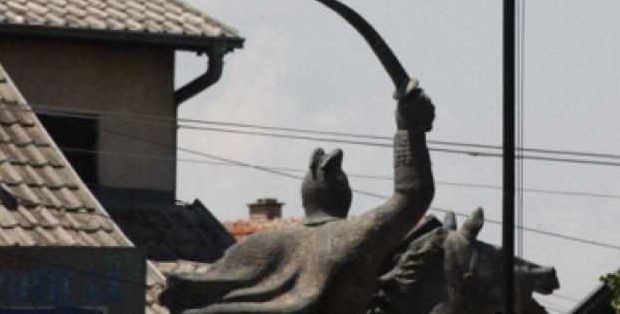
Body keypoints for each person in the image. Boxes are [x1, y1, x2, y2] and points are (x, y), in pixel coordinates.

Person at [159, 80, 435, 314]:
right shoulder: (349, 236)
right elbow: (412, 195)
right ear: (342, 192)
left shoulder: (256, 245)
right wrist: (410, 130)